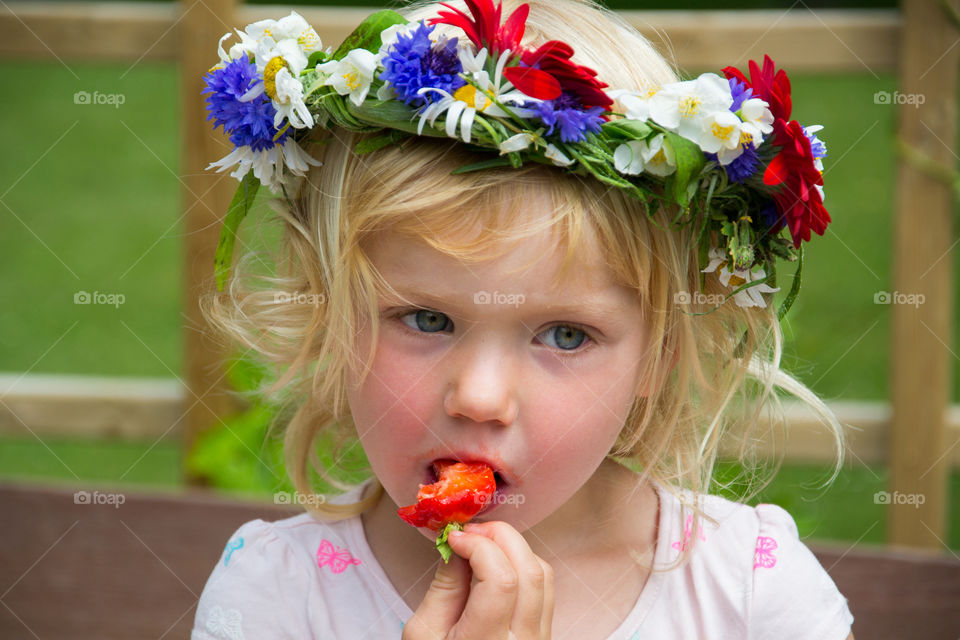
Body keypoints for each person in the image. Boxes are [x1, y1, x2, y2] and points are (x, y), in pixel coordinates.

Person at [192, 0, 854, 638]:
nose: (480, 398)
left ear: (662, 353)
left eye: (565, 335)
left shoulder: (751, 597)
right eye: (425, 319)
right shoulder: (279, 596)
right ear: (329, 317)